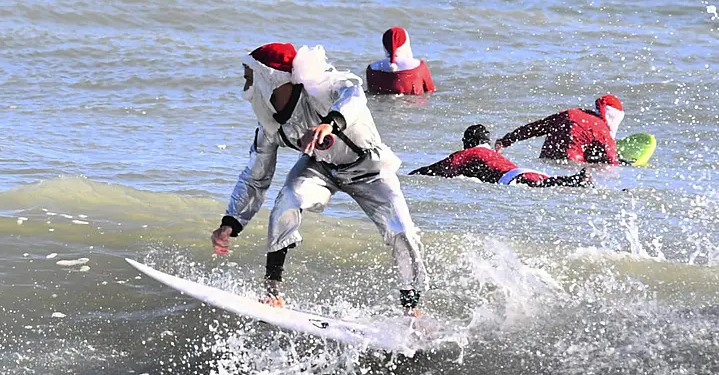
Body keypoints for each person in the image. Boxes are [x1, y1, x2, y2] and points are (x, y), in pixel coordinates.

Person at [211, 42, 428, 315]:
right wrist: (231, 221)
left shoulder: (321, 88)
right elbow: (256, 177)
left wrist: (331, 122)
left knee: (402, 231)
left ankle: (412, 308)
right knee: (289, 198)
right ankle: (272, 291)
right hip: (321, 168)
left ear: (269, 77)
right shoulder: (269, 124)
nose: (245, 81)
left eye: (249, 75)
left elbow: (355, 94)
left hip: (369, 168)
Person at [409, 124, 593, 188]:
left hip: (514, 179)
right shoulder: (489, 153)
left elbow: (437, 169)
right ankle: (575, 180)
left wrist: (410, 176)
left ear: (467, 141)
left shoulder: (471, 152)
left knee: (544, 186)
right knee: (547, 183)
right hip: (525, 172)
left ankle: (575, 181)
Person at [494, 94, 625, 165]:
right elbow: (611, 161)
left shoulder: (570, 113)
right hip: (572, 167)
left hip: (546, 162)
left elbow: (534, 128)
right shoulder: (602, 129)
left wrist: (506, 140)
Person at [366, 27, 435, 95]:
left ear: (384, 46)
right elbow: (430, 91)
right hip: (413, 104)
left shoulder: (372, 69)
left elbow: (371, 93)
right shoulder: (420, 67)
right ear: (406, 44)